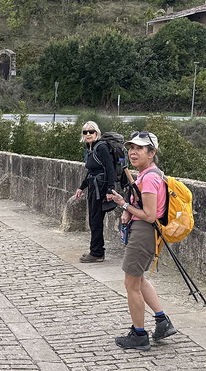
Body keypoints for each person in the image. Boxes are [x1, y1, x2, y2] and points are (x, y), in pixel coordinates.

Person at [107, 131, 177, 351]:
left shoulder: (148, 178)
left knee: (131, 285)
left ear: (152, 152)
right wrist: (129, 210)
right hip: (146, 232)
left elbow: (149, 215)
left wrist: (123, 205)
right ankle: (161, 321)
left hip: (144, 232)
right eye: (131, 148)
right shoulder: (152, 174)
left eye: (139, 148)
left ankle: (139, 334)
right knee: (140, 280)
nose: (133, 152)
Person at [73, 121, 114, 263]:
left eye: (91, 132)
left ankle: (97, 253)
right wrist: (81, 187)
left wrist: (110, 190)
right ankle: (96, 250)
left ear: (97, 133)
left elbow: (110, 169)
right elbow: (90, 171)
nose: (88, 134)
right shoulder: (90, 147)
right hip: (93, 186)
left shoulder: (101, 147)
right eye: (85, 132)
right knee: (93, 220)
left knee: (96, 220)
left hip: (100, 188)